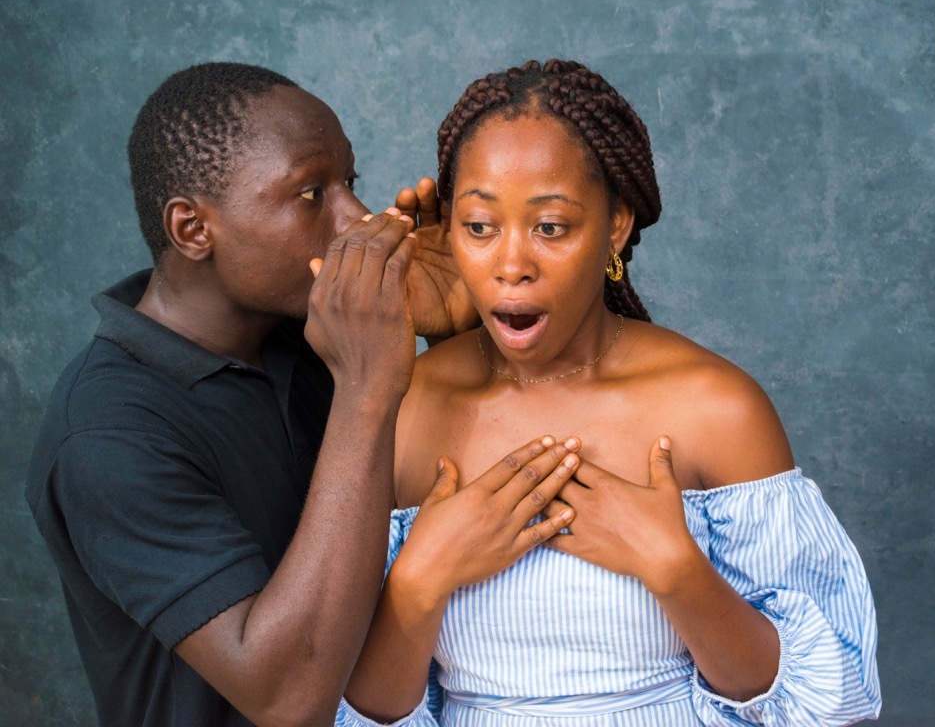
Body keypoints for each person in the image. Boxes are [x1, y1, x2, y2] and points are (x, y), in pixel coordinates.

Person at [25, 62, 582, 727]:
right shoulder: (107, 435)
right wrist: (367, 387)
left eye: (350, 182)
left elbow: (439, 502)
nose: (357, 218)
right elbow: (288, 697)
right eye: (312, 194)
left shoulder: (311, 334)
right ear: (193, 229)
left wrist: (458, 338)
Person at [337, 59, 882, 726]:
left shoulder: (714, 408)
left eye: (551, 228)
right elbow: (355, 711)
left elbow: (822, 701)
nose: (511, 266)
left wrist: (675, 569)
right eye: (480, 227)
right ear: (448, 231)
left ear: (617, 225)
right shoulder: (405, 407)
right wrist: (419, 583)